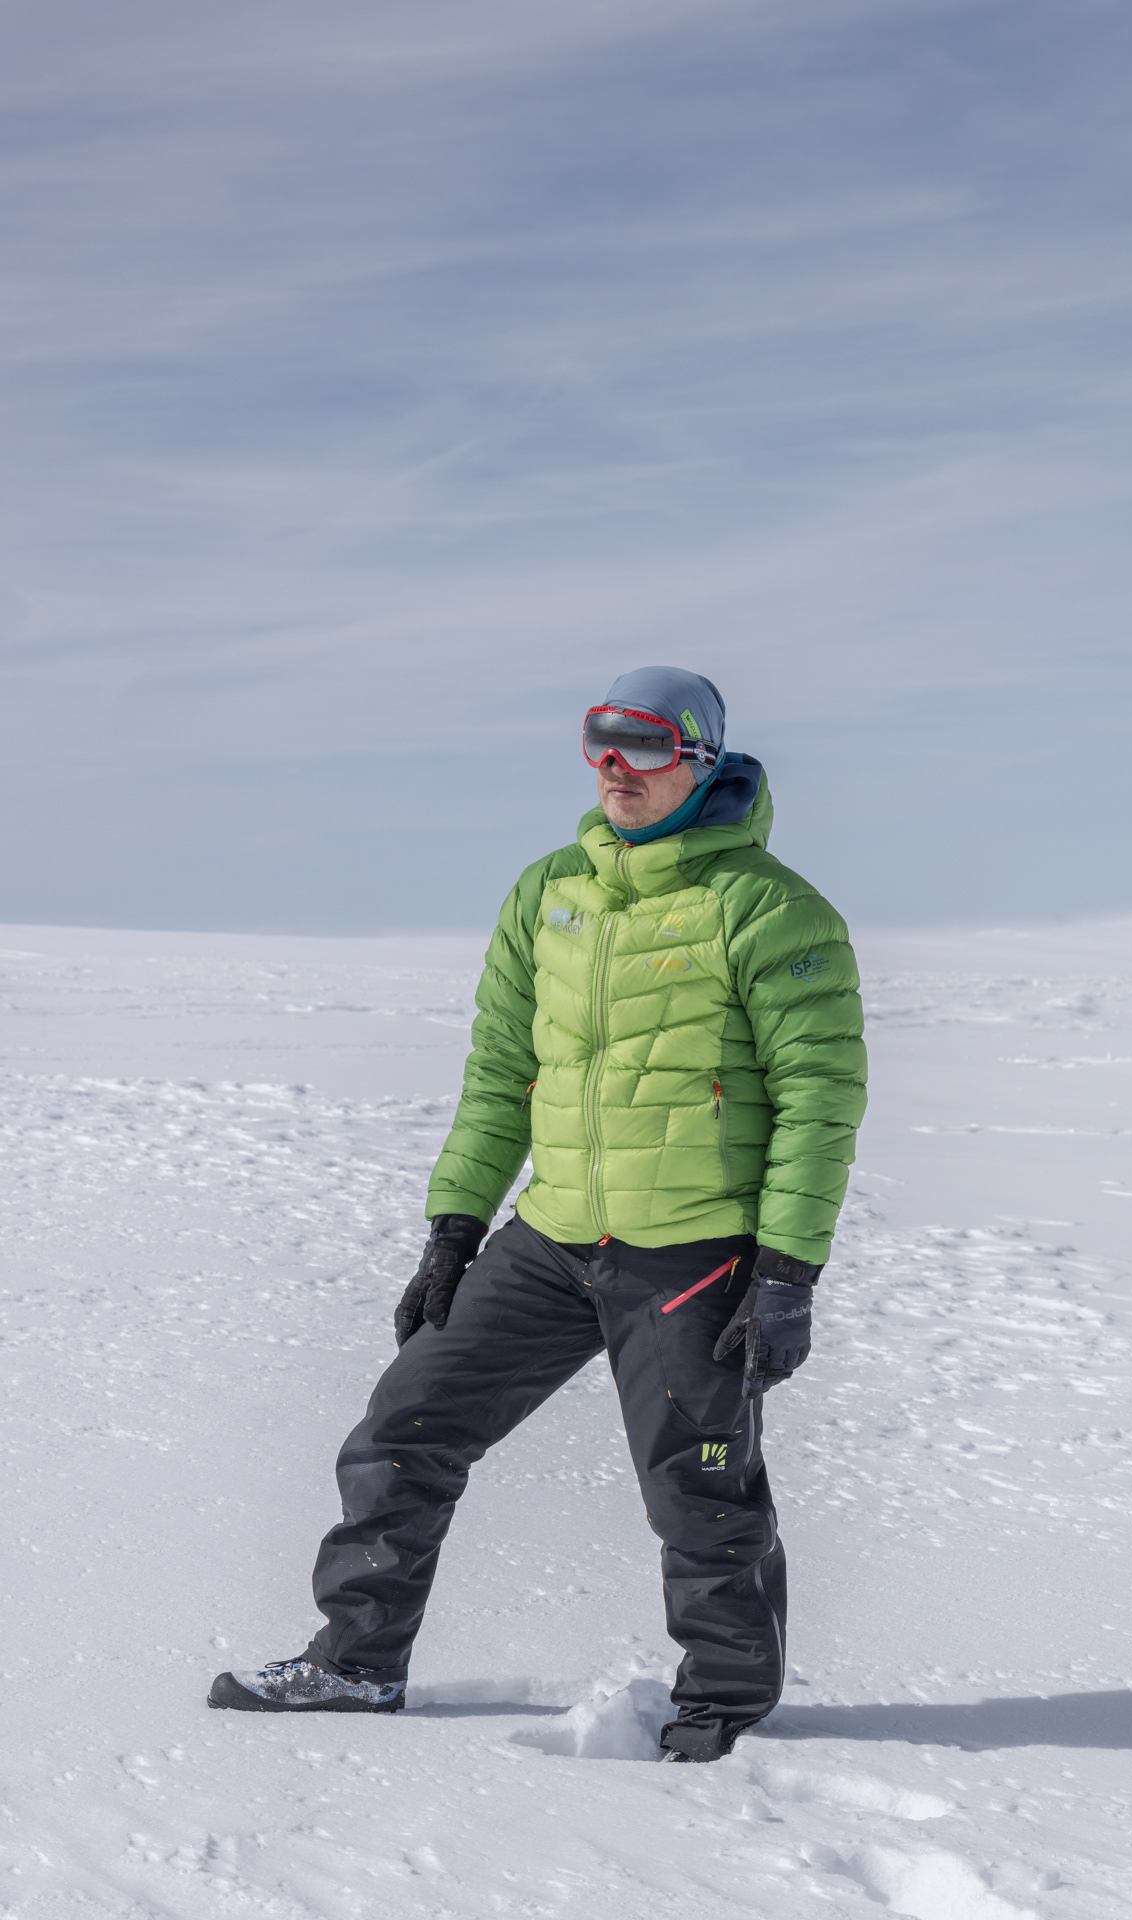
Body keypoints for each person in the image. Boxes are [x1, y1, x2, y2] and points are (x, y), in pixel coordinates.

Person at [208, 667, 868, 1762]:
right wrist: (455, 1227)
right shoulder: (549, 892)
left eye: (642, 744)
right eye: (597, 740)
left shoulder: (769, 908)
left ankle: (726, 1707)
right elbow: (502, 1071)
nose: (613, 766)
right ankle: (357, 1663)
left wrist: (787, 1271)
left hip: (694, 1250)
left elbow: (819, 1097)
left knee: (698, 1484)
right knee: (403, 1428)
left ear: (700, 760)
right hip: (554, 1235)